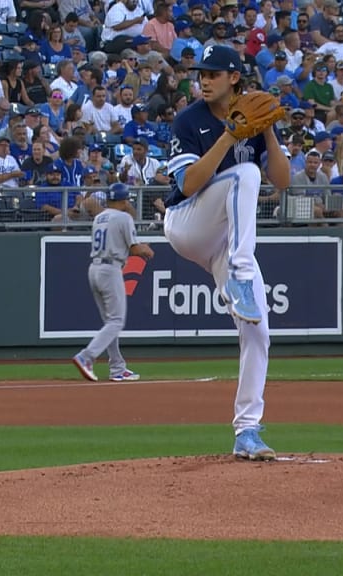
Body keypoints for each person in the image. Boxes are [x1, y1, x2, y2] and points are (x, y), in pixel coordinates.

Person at [161, 46, 289, 461]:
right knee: (245, 173)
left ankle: (247, 432)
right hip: (187, 223)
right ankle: (238, 272)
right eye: (202, 73)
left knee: (258, 329)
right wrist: (230, 137)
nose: (204, 79)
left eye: (214, 73)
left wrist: (266, 130)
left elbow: (283, 182)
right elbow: (190, 183)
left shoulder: (251, 116)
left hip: (226, 240)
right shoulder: (189, 120)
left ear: (235, 78)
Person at [72, 182, 154, 383]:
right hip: (111, 269)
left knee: (110, 322)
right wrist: (146, 249)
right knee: (117, 321)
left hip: (95, 268)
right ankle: (87, 356)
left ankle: (117, 368)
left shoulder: (99, 217)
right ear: (124, 200)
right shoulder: (124, 217)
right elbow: (134, 249)